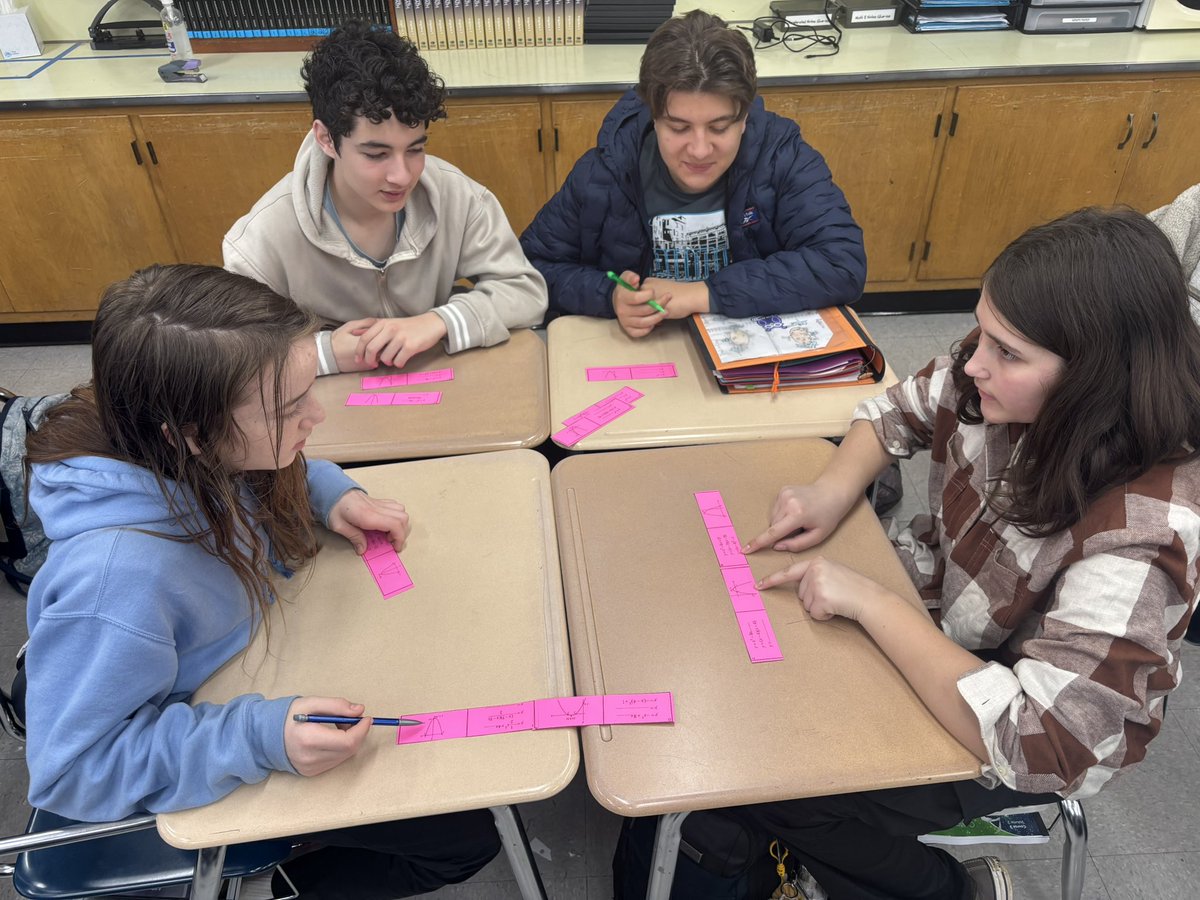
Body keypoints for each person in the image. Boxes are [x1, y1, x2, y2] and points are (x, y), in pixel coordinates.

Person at [668, 208, 1199, 900]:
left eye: (1009, 352)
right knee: (761, 705)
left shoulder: (1143, 535)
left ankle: (945, 889)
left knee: (772, 786)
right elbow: (898, 409)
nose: (974, 360)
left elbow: (1037, 745)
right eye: (984, 330)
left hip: (1009, 721)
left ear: (1094, 378)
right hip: (942, 622)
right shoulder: (998, 378)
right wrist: (830, 491)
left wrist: (875, 604)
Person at [22, 265, 500, 897]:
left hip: (265, 675)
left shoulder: (180, 444)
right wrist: (256, 737)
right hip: (201, 762)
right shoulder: (115, 584)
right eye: (288, 408)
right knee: (463, 840)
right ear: (188, 435)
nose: (318, 415)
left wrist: (329, 495)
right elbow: (74, 773)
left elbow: (255, 478)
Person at [223, 20, 547, 376]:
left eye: (415, 149)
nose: (402, 176)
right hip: (327, 411)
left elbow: (526, 293)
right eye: (376, 154)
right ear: (326, 139)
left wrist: (440, 321)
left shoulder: (459, 195)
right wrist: (325, 352)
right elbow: (234, 354)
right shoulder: (261, 238)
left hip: (438, 385)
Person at [520, 10, 866, 339]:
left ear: (744, 117)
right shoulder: (604, 171)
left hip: (751, 352)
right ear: (653, 117)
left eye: (719, 127)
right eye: (679, 127)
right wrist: (608, 295)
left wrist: (703, 293)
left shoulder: (782, 156)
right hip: (643, 351)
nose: (700, 150)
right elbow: (531, 268)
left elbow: (843, 263)